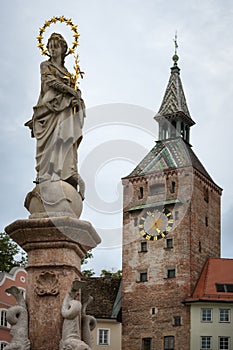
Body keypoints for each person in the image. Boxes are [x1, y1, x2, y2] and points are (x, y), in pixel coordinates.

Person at [26, 33, 85, 191]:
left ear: (64, 49)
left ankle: (62, 171)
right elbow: (50, 81)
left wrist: (77, 97)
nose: (52, 50)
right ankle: (46, 172)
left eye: (56, 47)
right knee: (50, 140)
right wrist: (70, 91)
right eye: (50, 47)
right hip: (49, 107)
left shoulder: (67, 72)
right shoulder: (45, 65)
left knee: (63, 137)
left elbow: (74, 92)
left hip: (65, 108)